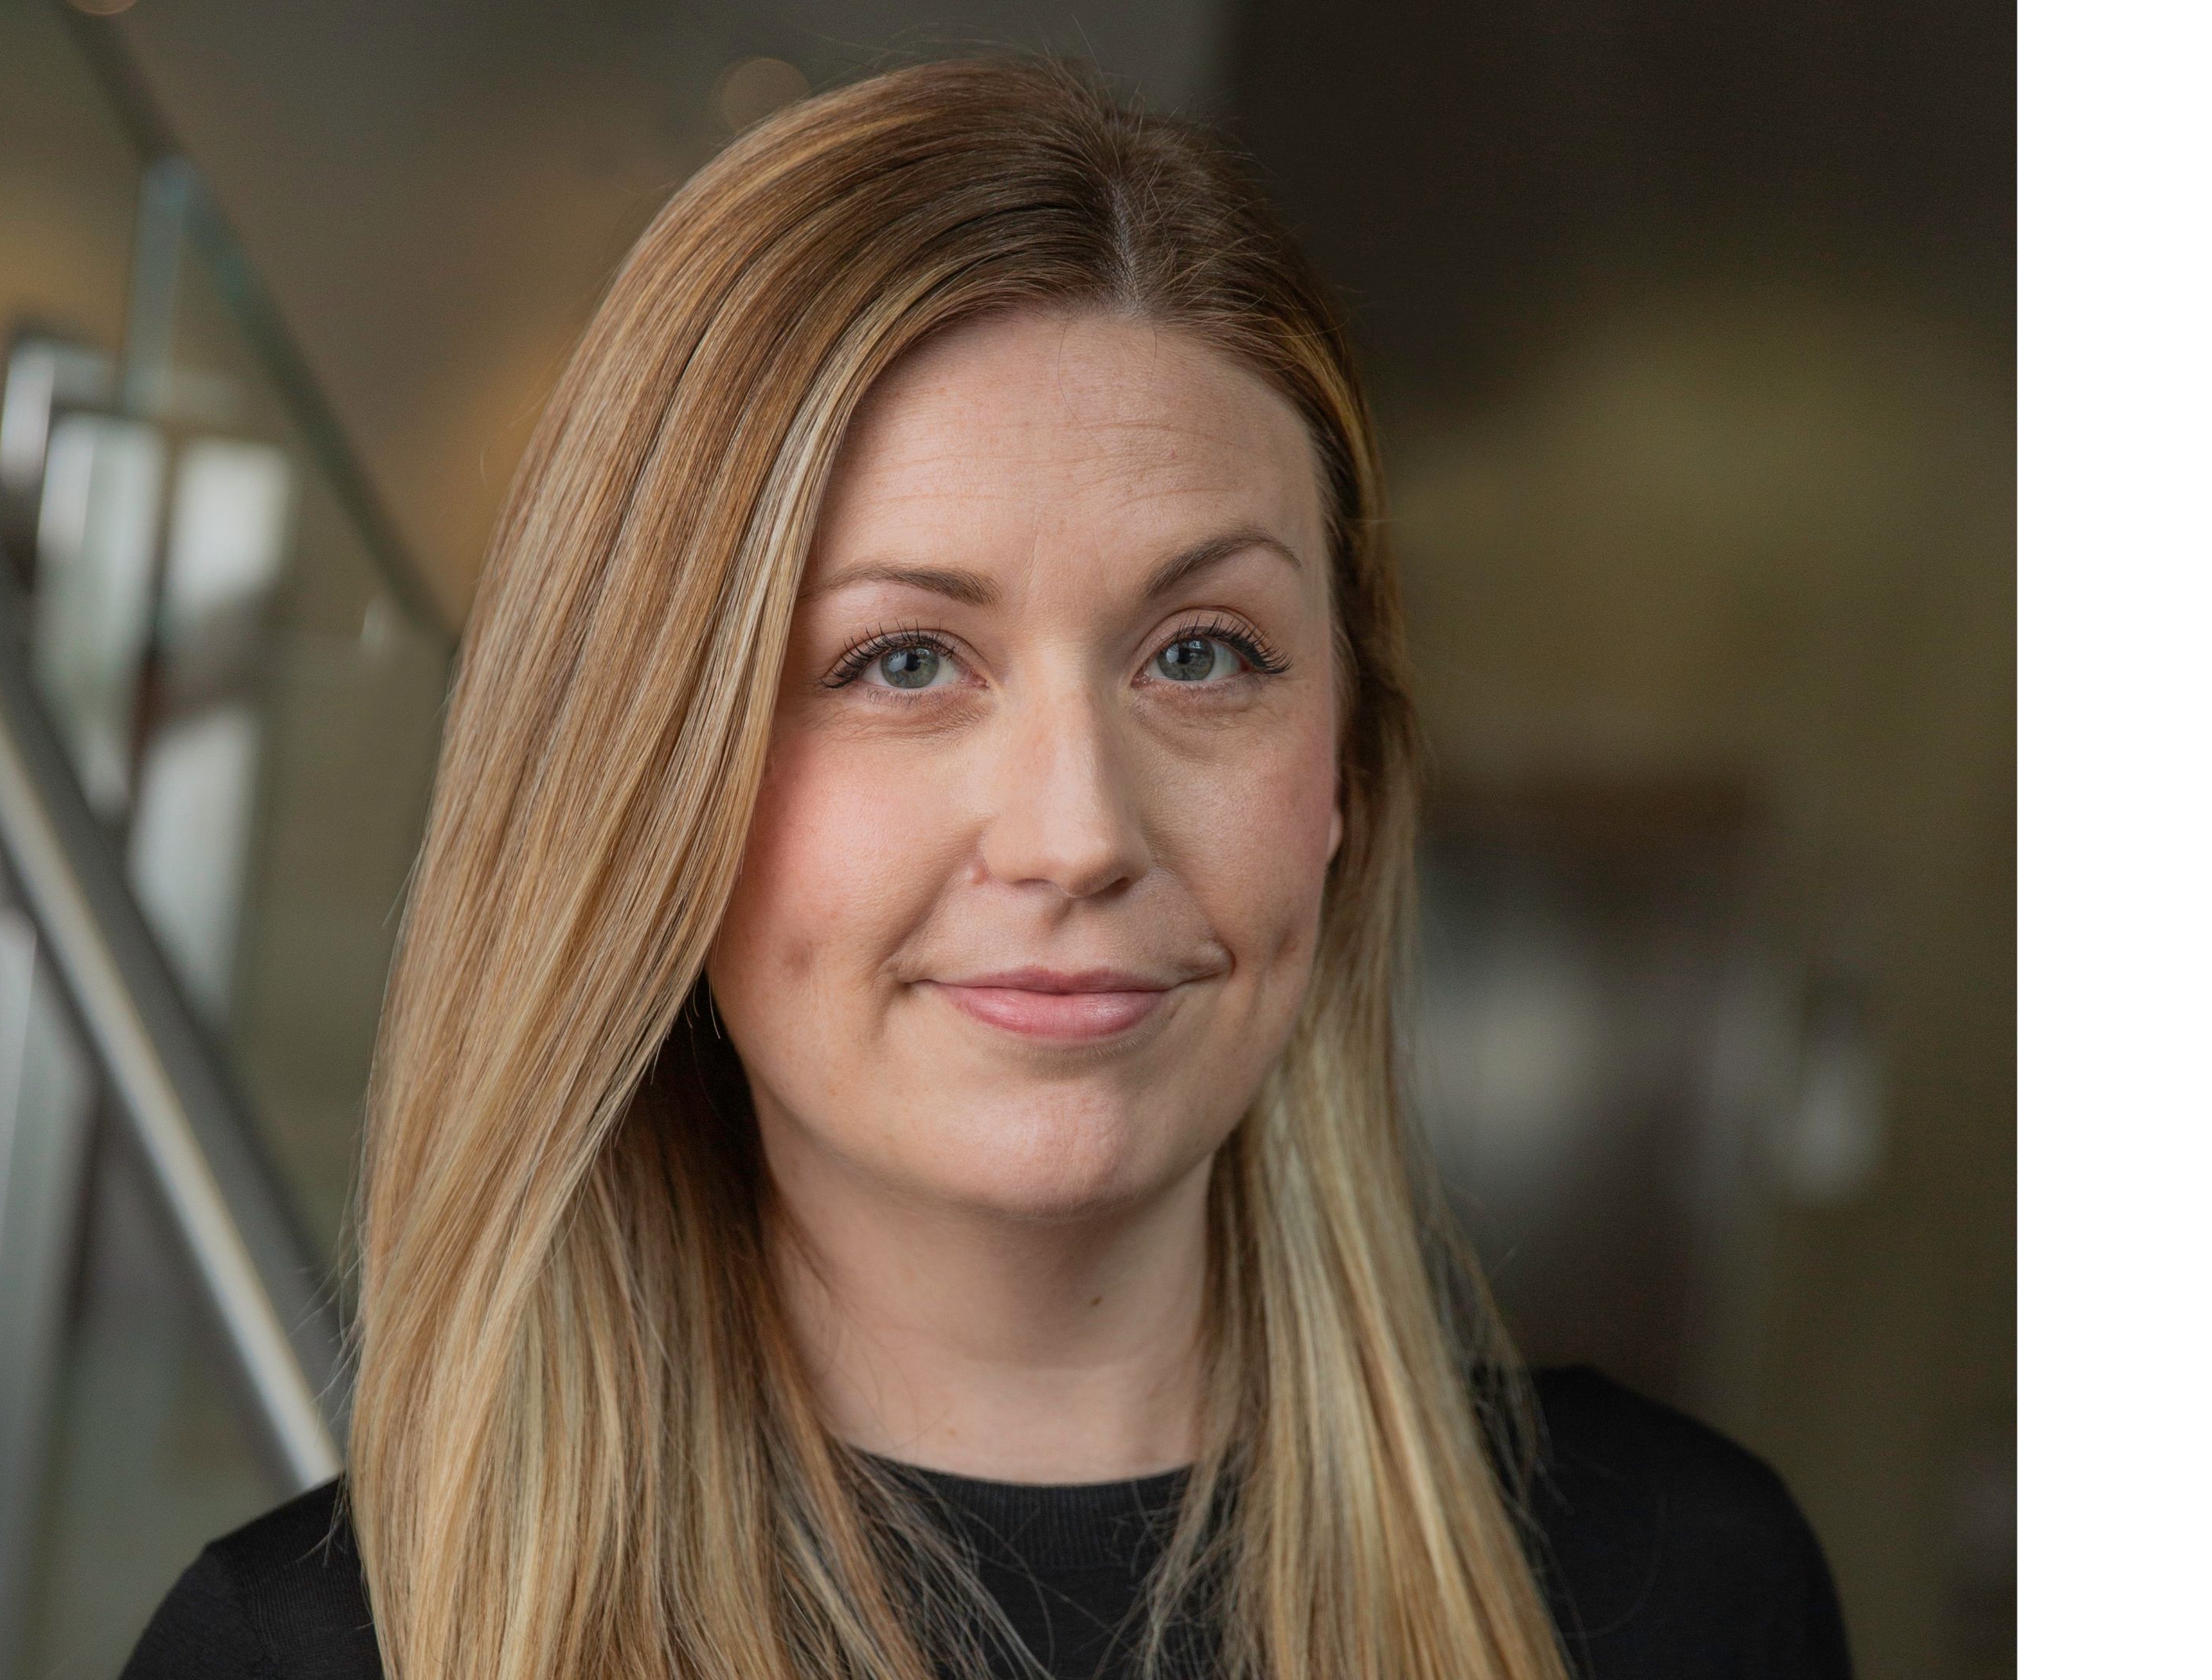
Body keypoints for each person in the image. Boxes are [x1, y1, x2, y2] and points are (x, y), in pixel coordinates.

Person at [124, 55, 1848, 1680]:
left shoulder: (1679, 1591)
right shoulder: (315, 1656)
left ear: (1342, 777)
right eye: (900, 661)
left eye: (1202, 654)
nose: (1078, 835)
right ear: (648, 790)